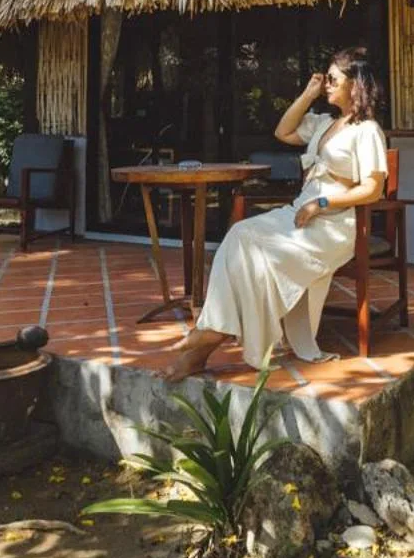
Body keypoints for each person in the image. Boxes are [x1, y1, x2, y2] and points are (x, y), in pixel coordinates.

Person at [159, 47, 390, 381]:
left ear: (355, 85)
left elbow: (373, 189)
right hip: (298, 214)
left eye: (332, 80)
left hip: (331, 227)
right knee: (240, 235)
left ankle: (207, 340)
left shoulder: (366, 130)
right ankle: (211, 333)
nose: (326, 85)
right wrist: (307, 94)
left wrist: (322, 204)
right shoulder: (325, 124)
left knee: (259, 256)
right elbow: (283, 131)